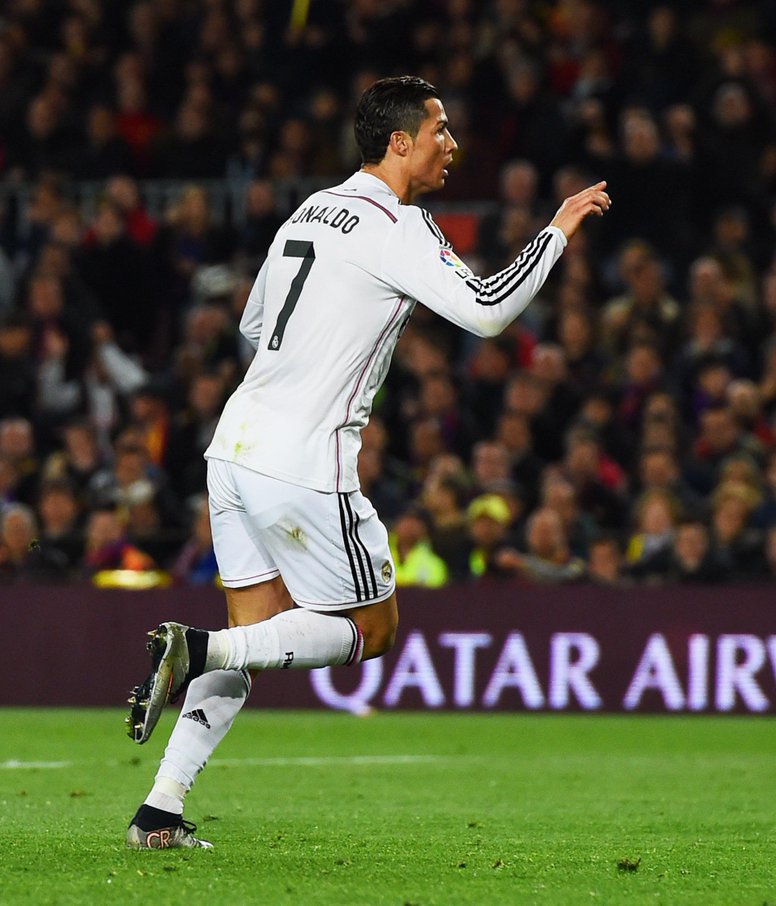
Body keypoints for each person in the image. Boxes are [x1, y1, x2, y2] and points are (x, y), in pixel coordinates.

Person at [123, 75, 611, 850]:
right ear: (400, 142)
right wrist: (554, 230)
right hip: (305, 459)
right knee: (371, 629)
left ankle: (159, 810)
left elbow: (253, 321)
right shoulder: (397, 224)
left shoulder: (309, 209)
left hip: (235, 445)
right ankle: (199, 648)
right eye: (440, 130)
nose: (452, 145)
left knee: (258, 633)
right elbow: (487, 310)